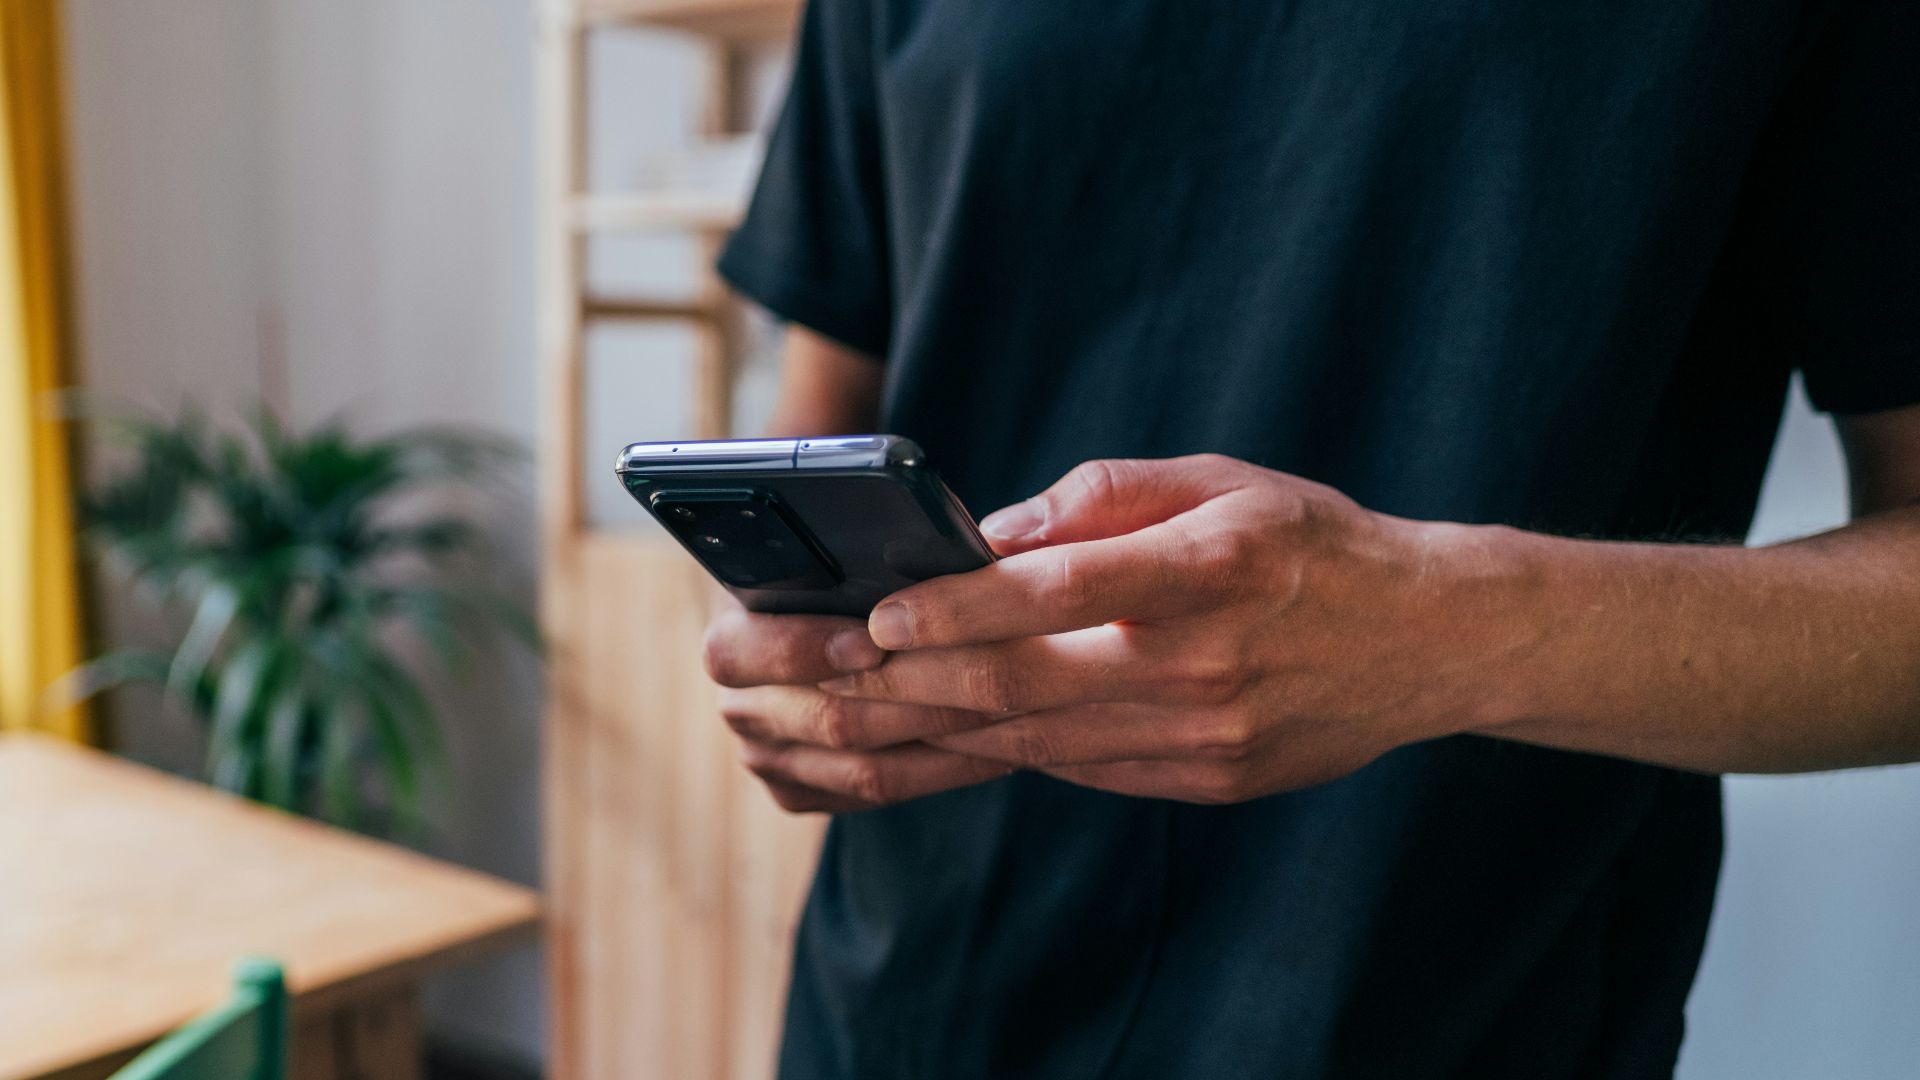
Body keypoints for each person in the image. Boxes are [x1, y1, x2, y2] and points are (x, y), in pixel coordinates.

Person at [700, 1, 1920, 1076]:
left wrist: (1443, 628)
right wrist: (791, 667)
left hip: (1457, 1016)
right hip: (905, 1008)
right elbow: (820, 424)